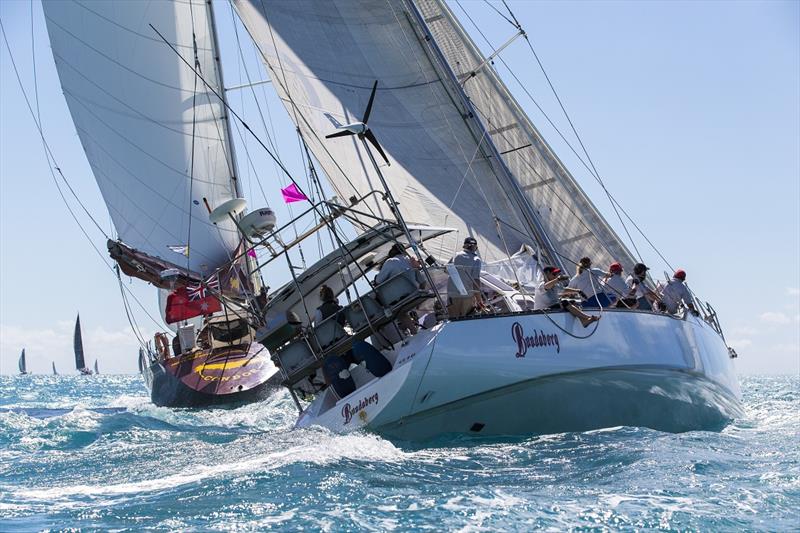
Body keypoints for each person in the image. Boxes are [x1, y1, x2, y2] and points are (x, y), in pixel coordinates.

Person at [375, 243, 423, 334]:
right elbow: (422, 282)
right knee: (403, 308)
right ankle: (412, 327)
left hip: (399, 299)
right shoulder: (411, 260)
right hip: (414, 293)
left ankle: (412, 331)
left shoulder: (390, 261)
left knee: (398, 311)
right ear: (404, 251)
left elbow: (378, 281)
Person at [534, 265, 600, 328]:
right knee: (564, 302)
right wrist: (558, 279)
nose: (556, 276)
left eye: (556, 274)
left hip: (551, 309)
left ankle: (583, 321)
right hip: (542, 312)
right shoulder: (541, 284)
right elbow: (546, 286)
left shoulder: (554, 285)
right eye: (554, 274)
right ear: (547, 274)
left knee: (573, 302)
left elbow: (564, 290)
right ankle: (587, 317)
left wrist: (578, 291)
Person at [447, 236, 483, 318]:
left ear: (464, 246)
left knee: (453, 320)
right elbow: (475, 280)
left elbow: (447, 270)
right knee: (466, 319)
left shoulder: (456, 255)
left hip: (452, 295)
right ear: (475, 248)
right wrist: (479, 300)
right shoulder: (476, 259)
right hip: (467, 296)